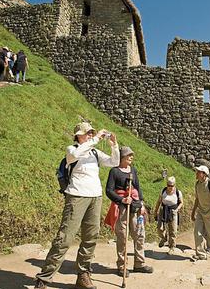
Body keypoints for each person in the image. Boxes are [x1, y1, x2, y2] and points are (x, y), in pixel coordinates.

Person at [35, 122, 120, 289]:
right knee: (65, 237)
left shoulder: (95, 152)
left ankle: (83, 275)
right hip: (76, 196)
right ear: (78, 135)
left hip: (95, 197)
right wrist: (95, 139)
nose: (90, 135)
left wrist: (114, 145)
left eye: (91, 133)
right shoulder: (72, 149)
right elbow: (77, 154)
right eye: (87, 133)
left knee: (90, 238)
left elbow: (114, 162)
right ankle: (44, 278)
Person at [104, 146, 154, 277]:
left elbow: (137, 187)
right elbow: (109, 191)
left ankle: (139, 263)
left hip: (135, 206)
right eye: (128, 155)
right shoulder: (114, 172)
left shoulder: (133, 170)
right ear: (122, 158)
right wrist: (121, 200)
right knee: (122, 237)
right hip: (121, 208)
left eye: (131, 155)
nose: (131, 157)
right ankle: (122, 265)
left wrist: (141, 203)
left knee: (139, 235)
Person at [154, 176, 183, 255]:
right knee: (160, 228)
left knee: (173, 230)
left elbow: (181, 202)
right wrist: (155, 211)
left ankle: (172, 247)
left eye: (172, 186)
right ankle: (163, 238)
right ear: (167, 184)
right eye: (169, 185)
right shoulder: (163, 191)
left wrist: (177, 209)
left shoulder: (178, 192)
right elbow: (158, 202)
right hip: (163, 210)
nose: (170, 187)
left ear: (175, 185)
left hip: (173, 211)